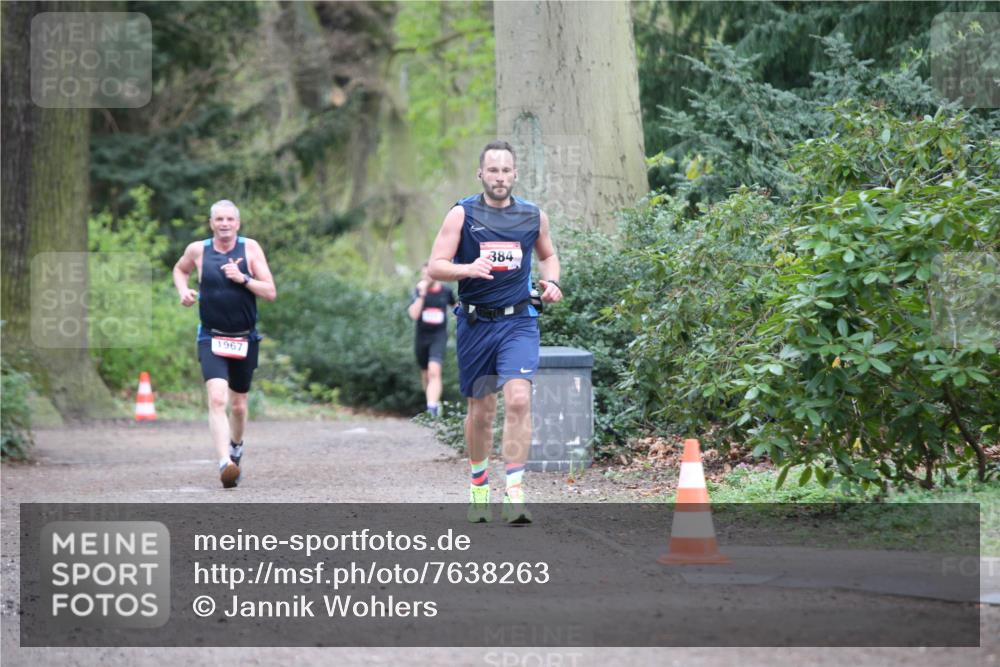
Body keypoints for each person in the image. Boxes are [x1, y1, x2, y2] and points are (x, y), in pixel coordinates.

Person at [427, 140, 562, 524]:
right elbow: (437, 266)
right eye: (493, 170)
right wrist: (467, 268)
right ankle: (479, 484)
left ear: (515, 175)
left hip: (518, 321)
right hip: (475, 323)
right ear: (480, 174)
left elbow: (548, 256)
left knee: (518, 399)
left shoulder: (532, 216)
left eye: (506, 170)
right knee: (481, 412)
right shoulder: (462, 214)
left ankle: (515, 491)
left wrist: (550, 282)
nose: (500, 177)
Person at [173, 200, 277, 488]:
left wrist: (243, 278)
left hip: (244, 337)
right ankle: (224, 464)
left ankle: (236, 447)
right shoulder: (198, 250)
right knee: (217, 399)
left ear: (238, 223)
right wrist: (184, 291)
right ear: (211, 223)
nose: (224, 224)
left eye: (230, 219)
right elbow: (180, 270)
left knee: (239, 406)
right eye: (219, 219)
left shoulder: (251, 248)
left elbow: (270, 292)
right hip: (211, 335)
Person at [408, 263, 456, 417]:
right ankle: (432, 400)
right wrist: (422, 294)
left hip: (439, 336)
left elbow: (455, 308)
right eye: (424, 275)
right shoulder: (418, 291)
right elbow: (414, 315)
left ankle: (432, 408)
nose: (427, 277)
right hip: (422, 337)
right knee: (426, 374)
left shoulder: (446, 291)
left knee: (434, 371)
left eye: (429, 274)